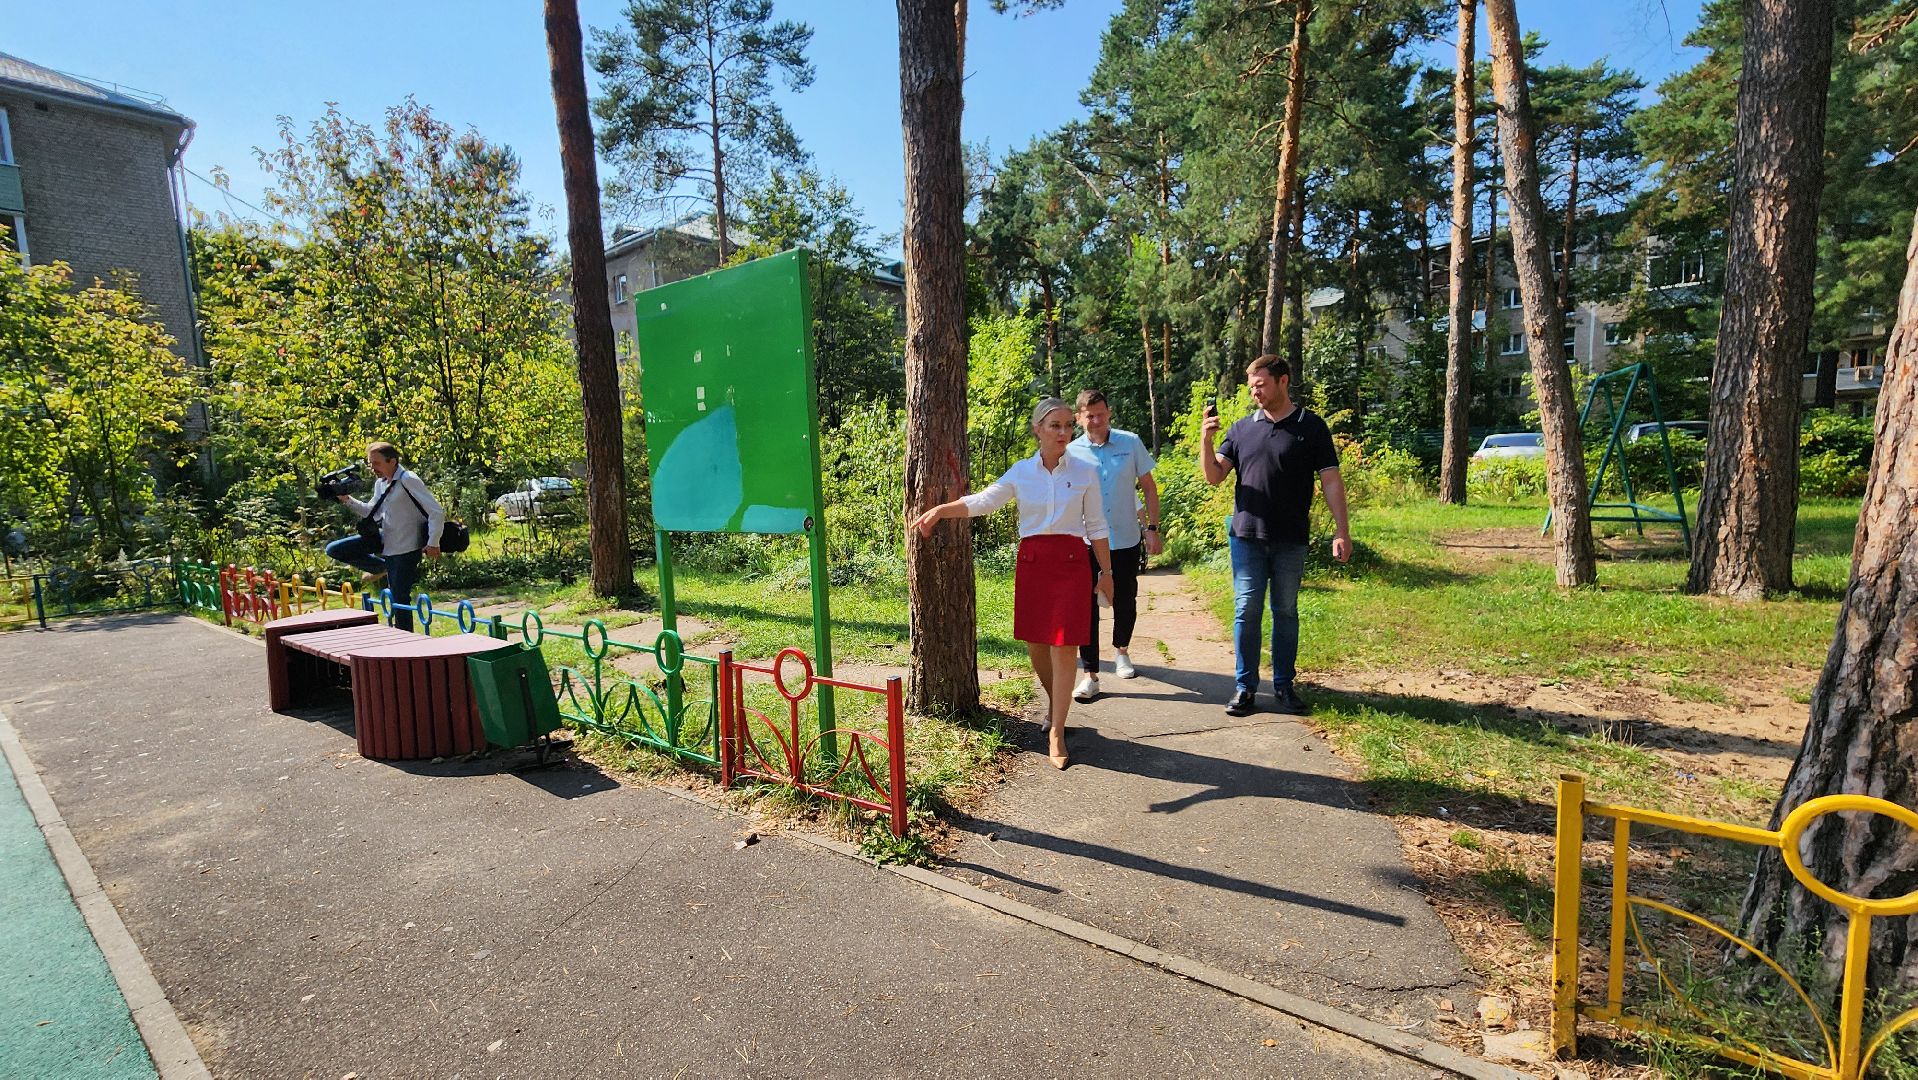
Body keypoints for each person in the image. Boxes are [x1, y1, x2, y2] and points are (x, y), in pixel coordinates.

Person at [913, 398, 1115, 769]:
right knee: (1037, 643)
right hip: (1034, 563)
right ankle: (1056, 705)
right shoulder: (1021, 473)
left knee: (1064, 645)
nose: (1064, 432)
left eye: (1068, 425)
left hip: (1071, 563)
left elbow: (1098, 526)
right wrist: (942, 510)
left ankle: (1057, 730)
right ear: (1037, 429)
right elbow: (984, 502)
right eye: (1055, 425)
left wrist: (1107, 573)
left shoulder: (1086, 471)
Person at [1200, 355, 1351, 717]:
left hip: (1290, 538)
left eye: (1261, 384)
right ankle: (1245, 687)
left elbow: (1330, 479)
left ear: (1283, 381)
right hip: (1247, 535)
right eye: (1251, 386)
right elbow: (1215, 476)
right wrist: (1206, 440)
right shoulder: (1240, 429)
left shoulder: (1311, 427)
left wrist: (1341, 530)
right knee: (1246, 609)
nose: (1255, 392)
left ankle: (1284, 685)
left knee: (1285, 610)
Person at [1067, 390, 1161, 703]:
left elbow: (1148, 487)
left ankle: (1122, 651)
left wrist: (1152, 528)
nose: (1096, 421)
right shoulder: (1071, 451)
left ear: (1109, 413)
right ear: (1079, 418)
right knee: (1085, 607)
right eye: (1089, 415)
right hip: (1085, 542)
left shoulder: (1130, 442)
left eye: (1100, 414)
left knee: (1124, 599)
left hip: (1123, 538)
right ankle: (1090, 674)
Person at [325, 441, 445, 632]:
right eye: (370, 463)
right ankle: (380, 567)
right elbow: (371, 512)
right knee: (334, 549)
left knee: (399, 599)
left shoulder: (408, 479)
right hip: (386, 539)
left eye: (377, 463)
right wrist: (345, 498)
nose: (373, 468)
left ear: (393, 461)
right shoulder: (380, 484)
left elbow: (436, 512)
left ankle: (404, 640)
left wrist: (433, 543)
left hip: (406, 547)